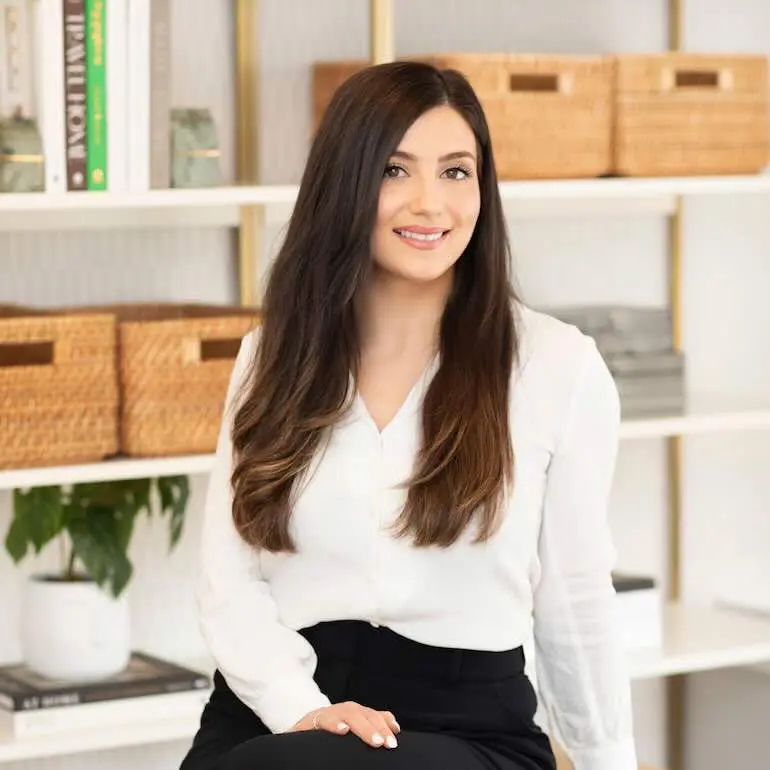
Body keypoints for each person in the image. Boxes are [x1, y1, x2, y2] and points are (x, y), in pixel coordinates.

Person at [179, 60, 638, 770]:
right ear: (347, 185)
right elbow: (228, 576)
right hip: (277, 711)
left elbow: (576, 601)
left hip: (467, 729)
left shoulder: (557, 367)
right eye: (395, 170)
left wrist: (608, 761)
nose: (431, 202)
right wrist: (300, 708)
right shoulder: (270, 356)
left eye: (456, 172)